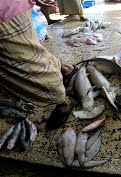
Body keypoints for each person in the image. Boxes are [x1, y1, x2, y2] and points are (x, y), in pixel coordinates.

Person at [0, 0, 77, 129]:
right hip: (12, 5)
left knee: (25, 66)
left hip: (4, 15)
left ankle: (63, 102)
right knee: (32, 52)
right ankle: (66, 69)